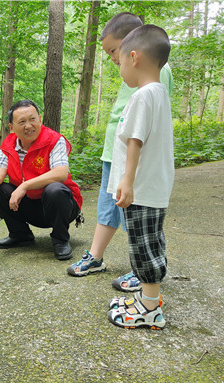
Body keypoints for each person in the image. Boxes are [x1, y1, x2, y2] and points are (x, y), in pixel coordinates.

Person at [67, 12, 174, 295]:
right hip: (115, 153)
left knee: (138, 221)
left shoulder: (152, 77)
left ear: (133, 50)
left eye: (114, 51)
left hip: (132, 161)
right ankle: (97, 256)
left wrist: (130, 173)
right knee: (108, 207)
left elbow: (145, 128)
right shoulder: (136, 77)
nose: (114, 59)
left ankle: (143, 275)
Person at [106, 24, 174, 329]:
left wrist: (127, 181)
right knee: (151, 243)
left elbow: (135, 140)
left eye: (119, 62)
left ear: (134, 57)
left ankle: (149, 309)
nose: (119, 69)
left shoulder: (144, 95)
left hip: (142, 189)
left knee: (143, 247)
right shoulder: (158, 92)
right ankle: (148, 299)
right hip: (152, 188)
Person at [0, 100, 83, 260]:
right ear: (12, 128)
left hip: (62, 206)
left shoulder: (54, 140)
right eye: (22, 122)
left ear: (40, 119)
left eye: (32, 119)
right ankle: (20, 235)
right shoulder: (9, 144)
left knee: (54, 189)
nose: (28, 126)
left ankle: (60, 240)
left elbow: (61, 173)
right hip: (32, 206)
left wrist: (25, 186)